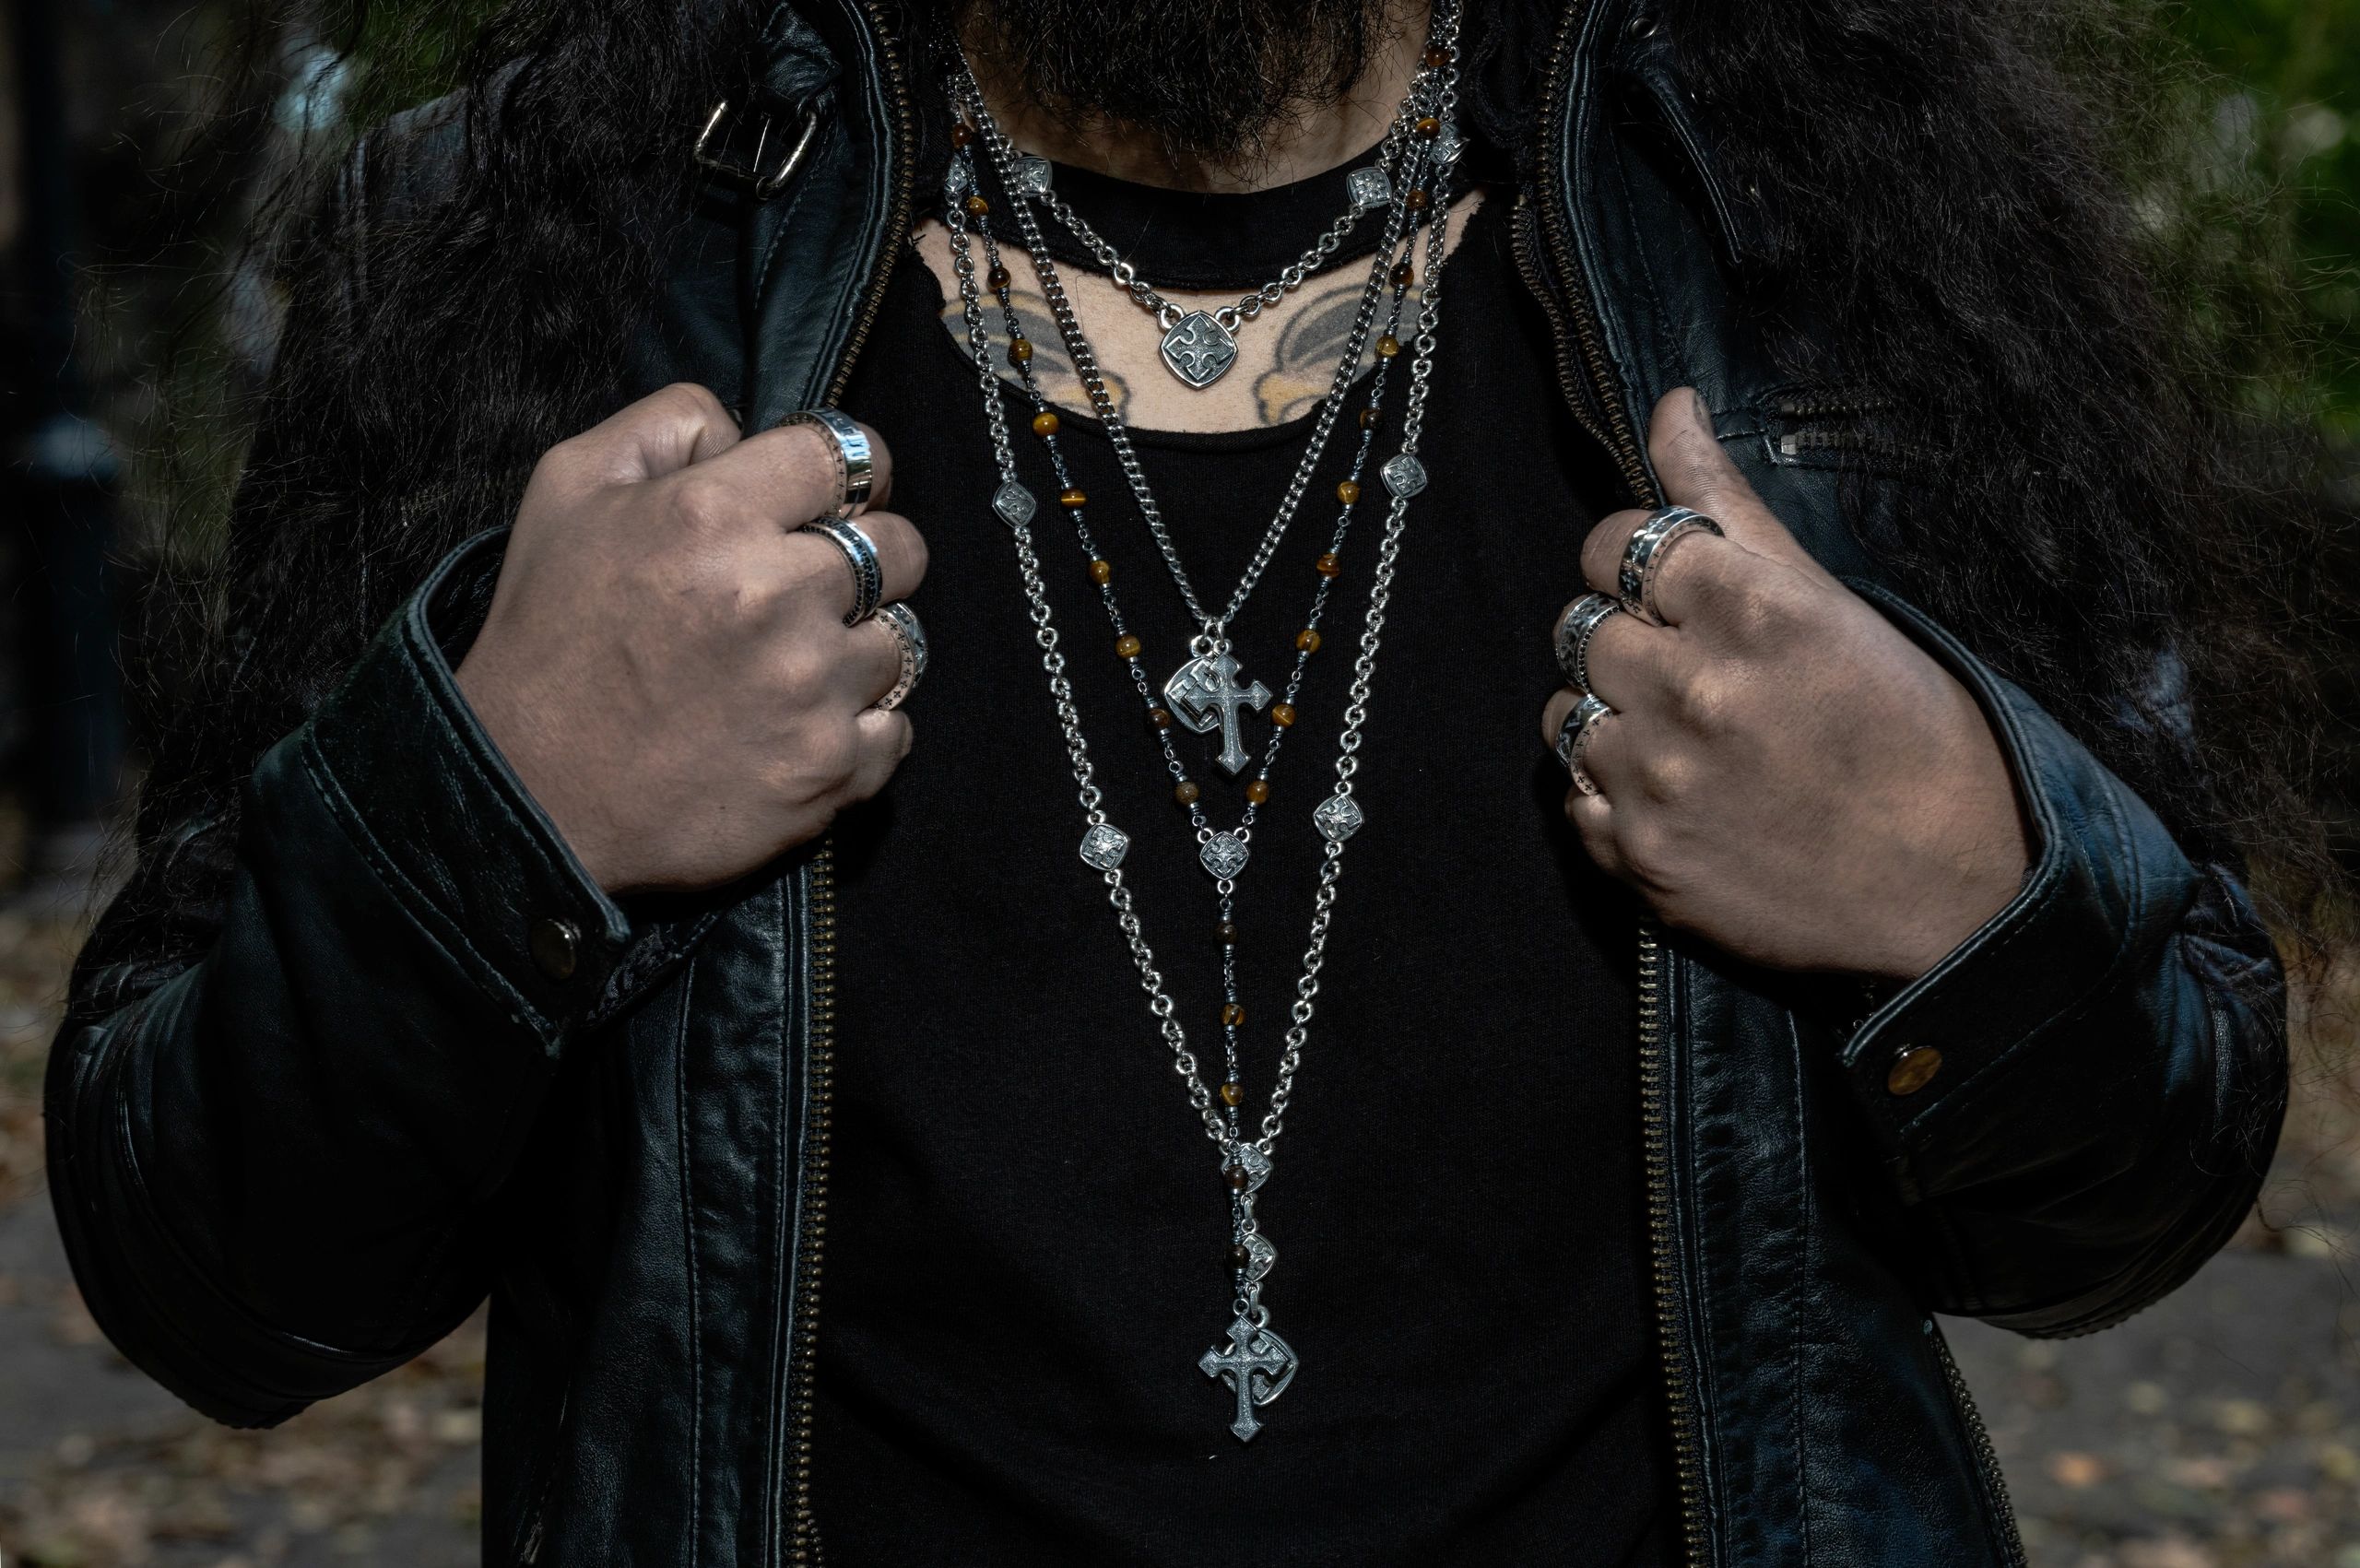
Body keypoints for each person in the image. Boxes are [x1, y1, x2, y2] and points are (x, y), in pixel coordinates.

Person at [46, 0, 2303, 1561]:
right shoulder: (534, 239)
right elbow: (214, 1274)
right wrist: (497, 799)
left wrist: (1960, 869)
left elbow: (2128, 1192)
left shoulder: (1815, 229)